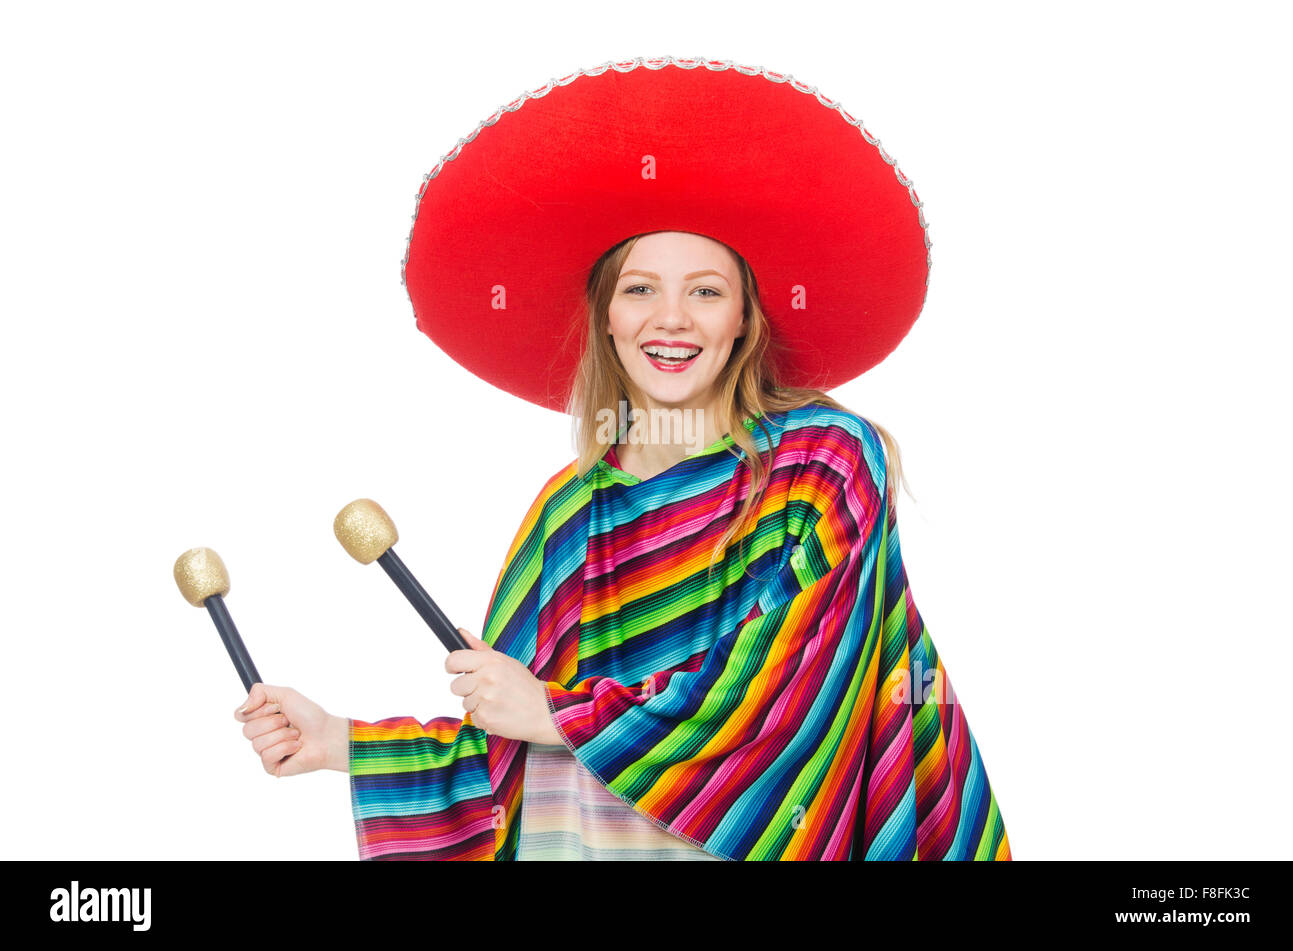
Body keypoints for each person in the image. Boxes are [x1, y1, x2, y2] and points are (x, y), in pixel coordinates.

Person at [234, 56, 1013, 861]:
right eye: (640, 289)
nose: (670, 319)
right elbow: (508, 750)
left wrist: (559, 713)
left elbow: (785, 696)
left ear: (745, 316)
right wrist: (340, 741)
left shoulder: (826, 466)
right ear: (605, 314)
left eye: (705, 291)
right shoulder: (571, 513)